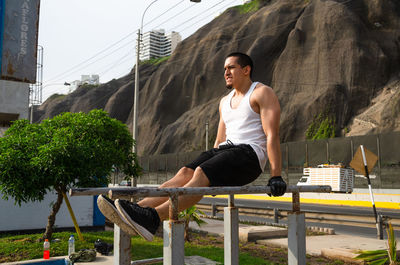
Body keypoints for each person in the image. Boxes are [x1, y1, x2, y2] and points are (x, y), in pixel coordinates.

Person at [97, 52, 286, 241]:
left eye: (231, 67)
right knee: (185, 172)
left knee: (201, 172)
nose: (226, 72)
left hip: (249, 156)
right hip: (227, 151)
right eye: (224, 69)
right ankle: (139, 209)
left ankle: (153, 218)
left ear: (246, 70)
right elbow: (219, 141)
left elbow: (272, 134)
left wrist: (276, 176)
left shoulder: (261, 92)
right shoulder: (224, 102)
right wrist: (215, 172)